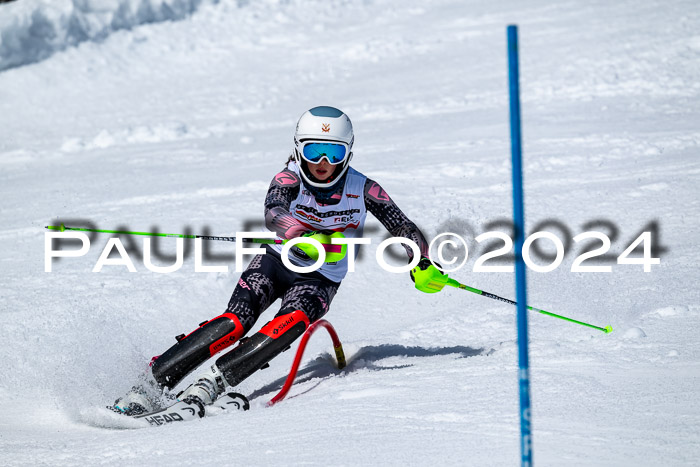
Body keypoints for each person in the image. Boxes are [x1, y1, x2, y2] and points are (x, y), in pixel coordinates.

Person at [113, 106, 446, 415]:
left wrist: (422, 261)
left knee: (288, 325)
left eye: (335, 152)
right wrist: (300, 232)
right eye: (315, 150)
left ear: (349, 153)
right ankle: (151, 382)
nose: (324, 161)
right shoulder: (289, 178)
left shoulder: (364, 188)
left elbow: (401, 225)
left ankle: (212, 384)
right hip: (275, 262)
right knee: (236, 322)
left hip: (320, 280)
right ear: (300, 148)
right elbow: (274, 212)